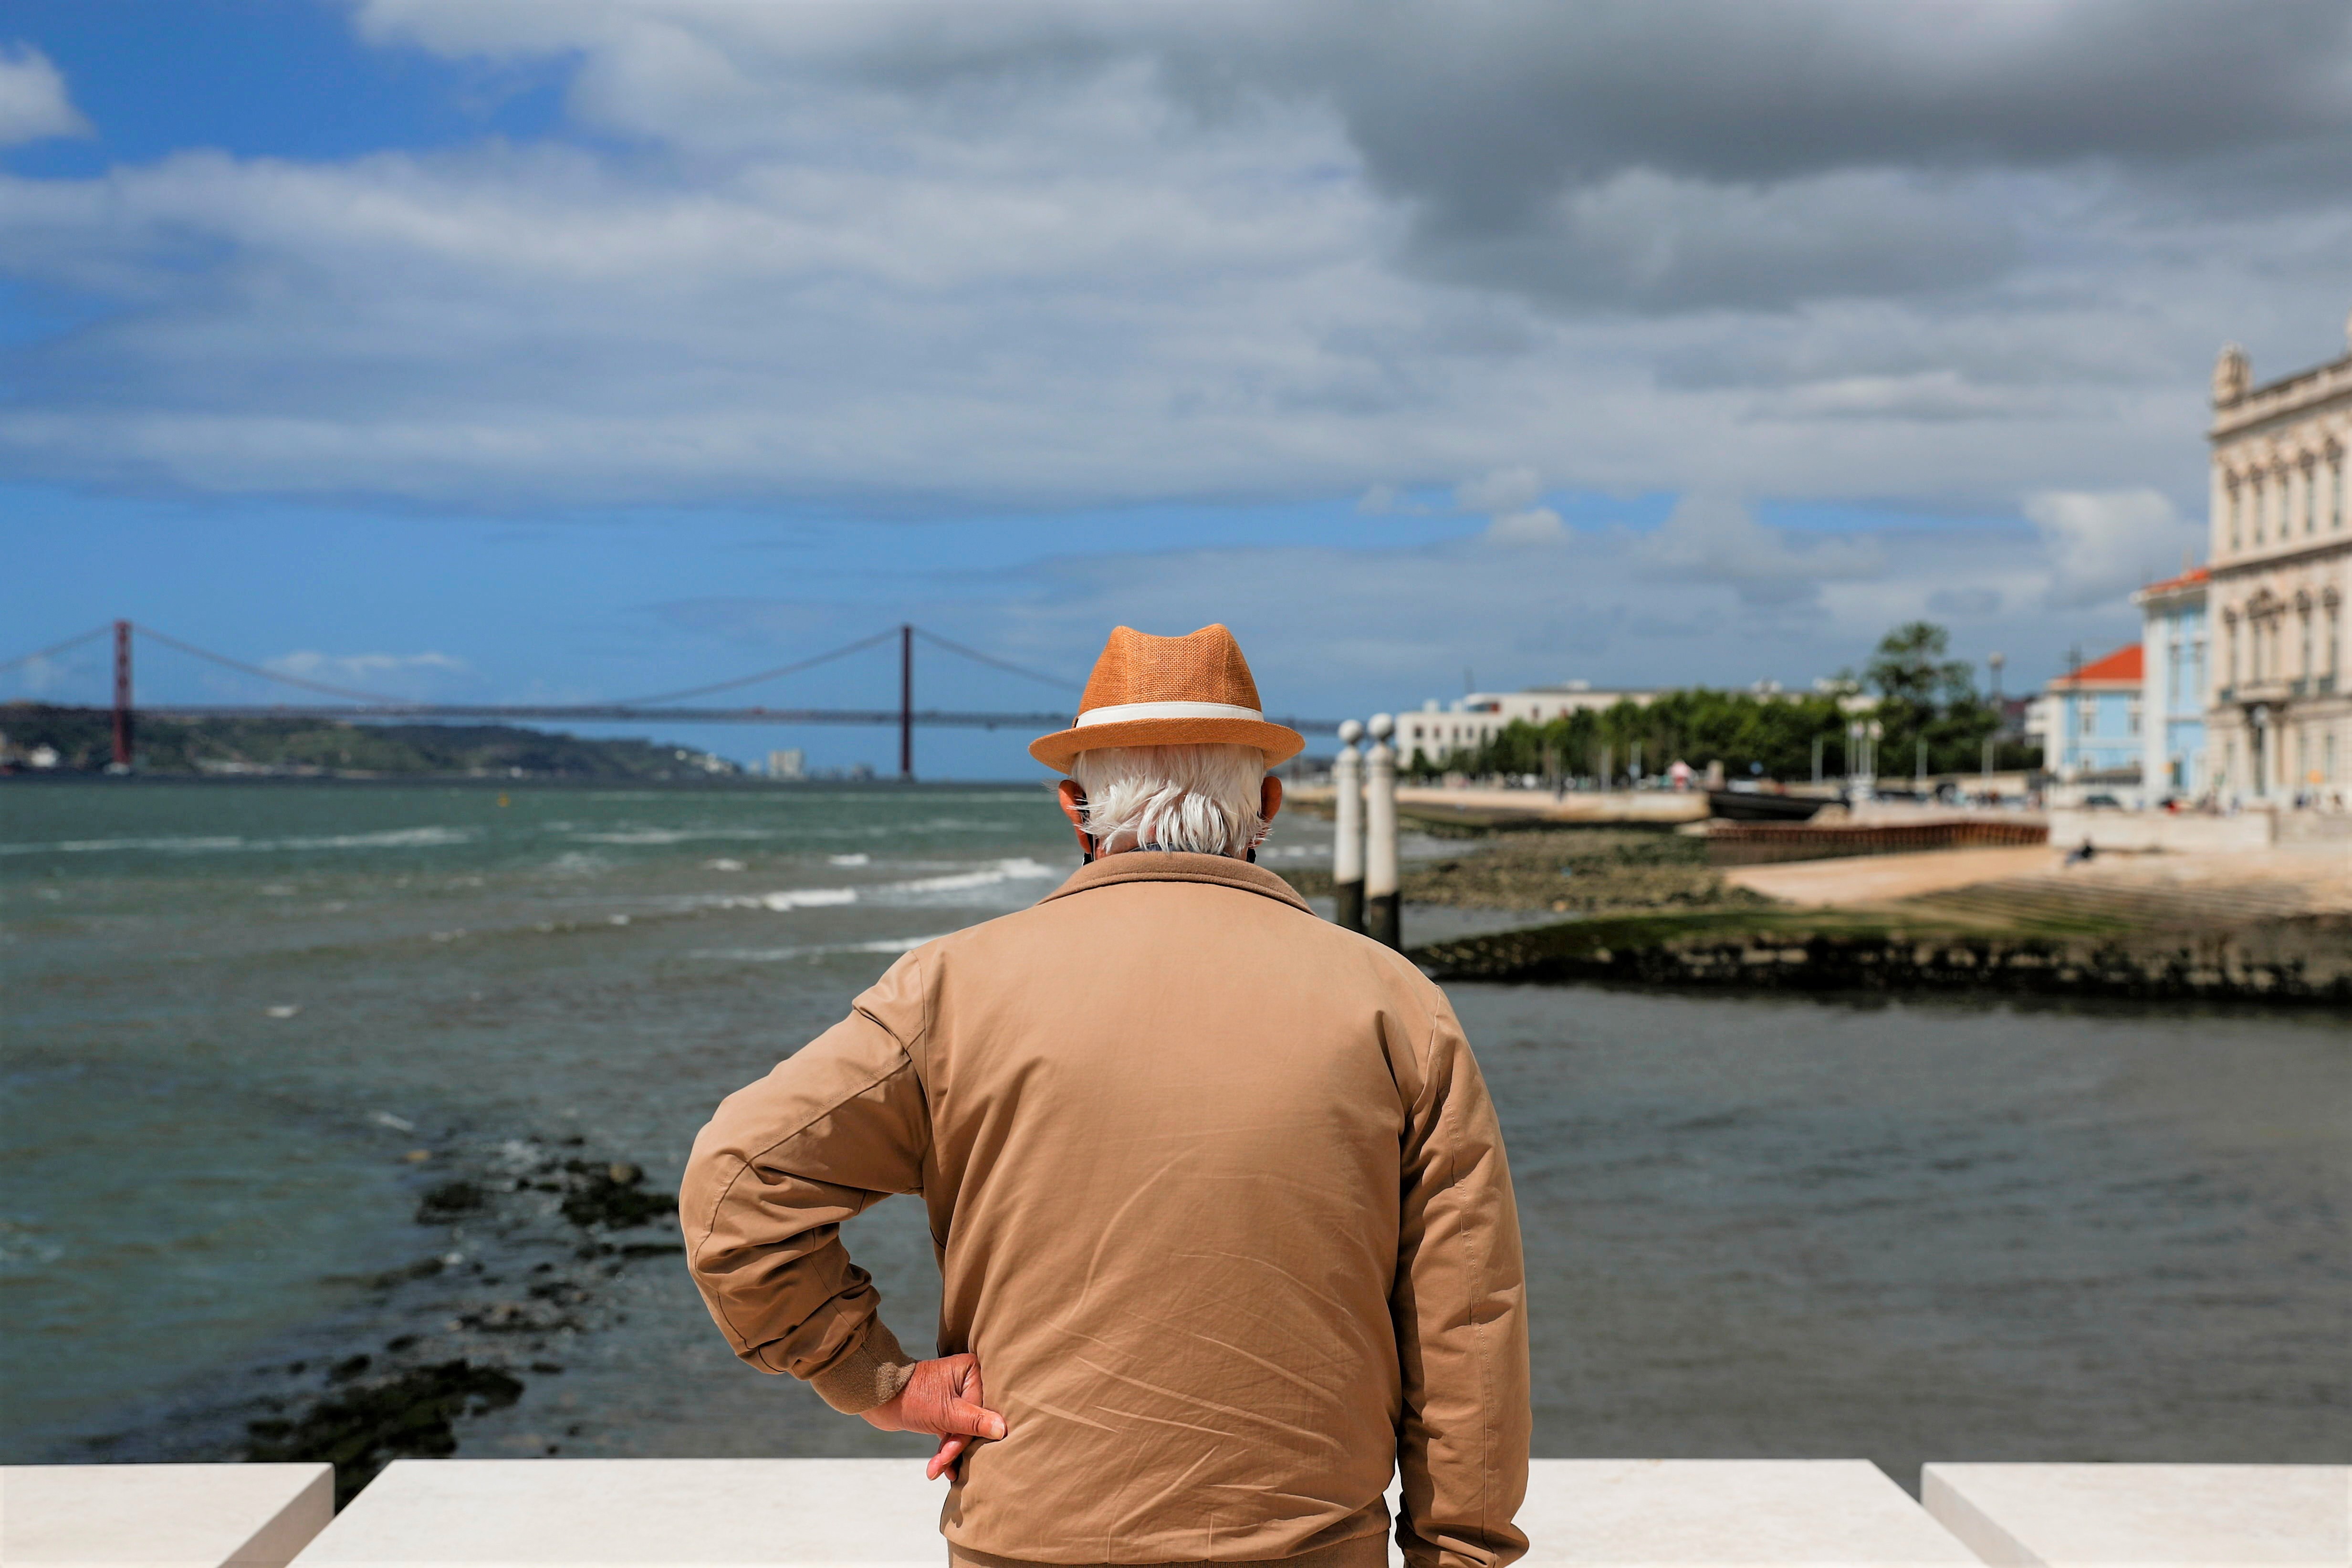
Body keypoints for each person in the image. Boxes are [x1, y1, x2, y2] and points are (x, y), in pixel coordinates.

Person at [680, 623, 1530, 1568]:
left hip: (1030, 1540)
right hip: (1308, 1545)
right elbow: (1467, 1324)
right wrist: (1461, 1551)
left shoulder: (949, 993)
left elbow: (734, 1187)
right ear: (1269, 802)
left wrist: (875, 1378)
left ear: (1073, 808)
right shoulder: (1395, 1004)